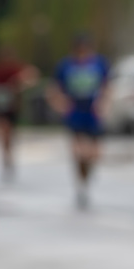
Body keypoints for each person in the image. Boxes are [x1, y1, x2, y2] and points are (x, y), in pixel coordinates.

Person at [48, 34, 109, 210]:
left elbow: (107, 86)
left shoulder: (99, 63)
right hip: (75, 112)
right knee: (79, 152)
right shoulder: (65, 66)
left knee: (93, 154)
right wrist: (61, 105)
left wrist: (104, 104)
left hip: (93, 112)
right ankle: (81, 184)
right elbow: (54, 89)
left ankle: (86, 177)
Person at [0, 46, 38, 181]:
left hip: (12, 106)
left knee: (9, 134)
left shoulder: (16, 68)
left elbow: (32, 76)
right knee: (1, 132)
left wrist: (18, 85)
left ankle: (8, 157)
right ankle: (6, 158)